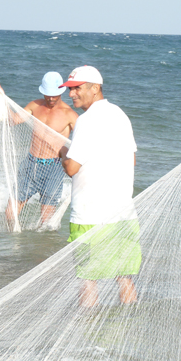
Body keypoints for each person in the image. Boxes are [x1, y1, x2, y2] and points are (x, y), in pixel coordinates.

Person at [58, 66, 141, 307]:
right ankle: (129, 328)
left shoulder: (85, 121)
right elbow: (131, 159)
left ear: (96, 88)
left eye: (77, 89)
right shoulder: (120, 115)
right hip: (123, 214)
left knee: (87, 279)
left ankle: (86, 339)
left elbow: (72, 168)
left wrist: (63, 152)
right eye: (70, 90)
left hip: (90, 215)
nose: (71, 95)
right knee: (124, 278)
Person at [2, 72, 78, 228]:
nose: (50, 98)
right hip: (31, 164)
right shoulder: (34, 106)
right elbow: (13, 121)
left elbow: (85, 141)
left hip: (54, 168)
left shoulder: (70, 115)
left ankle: (44, 250)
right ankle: (13, 245)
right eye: (47, 94)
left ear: (61, 91)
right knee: (10, 213)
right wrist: (2, 100)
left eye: (54, 95)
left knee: (47, 221)